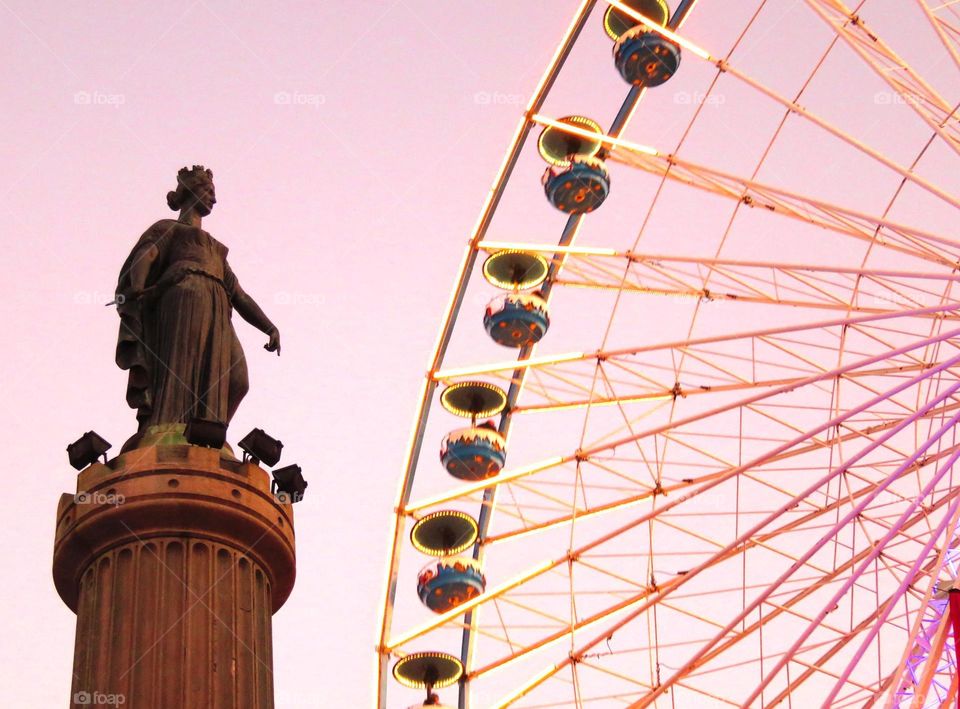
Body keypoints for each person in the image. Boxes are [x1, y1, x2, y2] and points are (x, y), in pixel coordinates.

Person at [115, 165, 280, 442]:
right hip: (183, 297)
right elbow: (147, 254)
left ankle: (208, 435)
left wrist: (269, 327)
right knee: (183, 366)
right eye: (209, 191)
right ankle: (168, 428)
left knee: (237, 380)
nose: (214, 199)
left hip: (218, 305)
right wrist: (138, 287)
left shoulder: (216, 248)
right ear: (191, 191)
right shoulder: (168, 228)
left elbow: (238, 294)